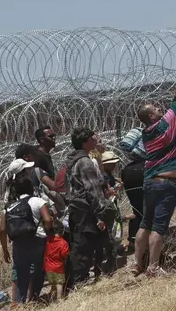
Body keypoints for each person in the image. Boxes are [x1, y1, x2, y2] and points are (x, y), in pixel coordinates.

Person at [130, 55, 176, 278]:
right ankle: (153, 267)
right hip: (166, 184)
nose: (159, 109)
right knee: (158, 227)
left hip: (150, 181)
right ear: (151, 116)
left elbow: (172, 124)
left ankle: (137, 264)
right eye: (156, 109)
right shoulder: (165, 123)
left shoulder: (148, 133)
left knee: (144, 223)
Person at [0, 159, 52, 303]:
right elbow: (48, 220)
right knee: (36, 270)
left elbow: (2, 229)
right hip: (36, 238)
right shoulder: (35, 199)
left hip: (17, 239)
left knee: (19, 272)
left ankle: (18, 302)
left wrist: (5, 249)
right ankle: (31, 300)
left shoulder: (9, 201)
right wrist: (49, 232)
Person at [65, 127, 111, 286]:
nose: (96, 141)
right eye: (92, 138)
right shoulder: (84, 162)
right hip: (86, 209)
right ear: (84, 143)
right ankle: (80, 282)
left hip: (77, 208)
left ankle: (80, 279)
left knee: (81, 244)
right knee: (85, 245)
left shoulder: (74, 160)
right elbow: (92, 189)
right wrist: (100, 212)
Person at [118, 127, 146, 252]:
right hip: (142, 173)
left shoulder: (126, 169)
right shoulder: (147, 167)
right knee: (145, 212)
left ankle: (132, 241)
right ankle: (144, 245)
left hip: (130, 175)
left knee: (137, 210)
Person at [43, 220, 69, 302]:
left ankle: (51, 297)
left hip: (48, 267)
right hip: (58, 267)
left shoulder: (47, 240)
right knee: (59, 283)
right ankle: (59, 299)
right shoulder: (63, 243)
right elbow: (65, 254)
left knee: (53, 283)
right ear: (62, 231)